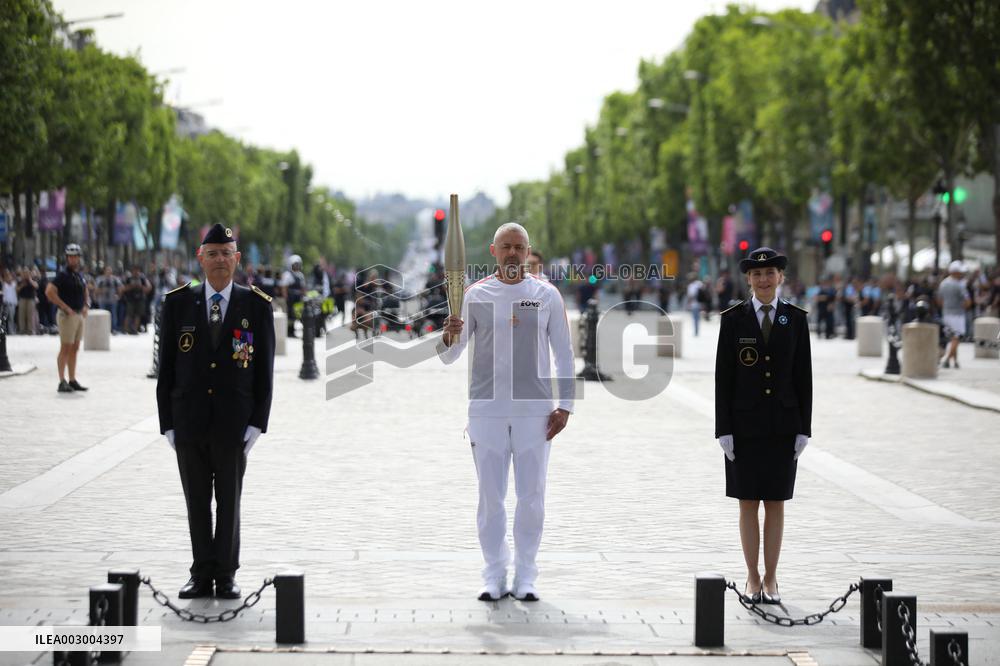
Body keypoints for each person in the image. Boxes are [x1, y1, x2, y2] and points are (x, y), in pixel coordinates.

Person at [439, 222, 574, 602]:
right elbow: (452, 354)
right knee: (491, 498)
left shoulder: (547, 295)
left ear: (529, 251)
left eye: (520, 247)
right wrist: (447, 334)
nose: (514, 253)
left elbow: (564, 353)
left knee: (532, 496)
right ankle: (494, 574)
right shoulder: (474, 295)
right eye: (506, 247)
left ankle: (526, 575)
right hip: (486, 411)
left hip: (535, 412)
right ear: (493, 251)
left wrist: (565, 406)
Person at [156, 223, 275, 600]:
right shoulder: (177, 303)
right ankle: (200, 572)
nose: (220, 260)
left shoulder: (255, 305)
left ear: (237, 259)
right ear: (200, 258)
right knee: (196, 503)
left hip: (233, 422)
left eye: (227, 253)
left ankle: (224, 574)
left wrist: (258, 423)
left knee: (228, 501)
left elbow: (263, 371)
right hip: (189, 421)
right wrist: (167, 424)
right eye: (213, 253)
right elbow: (167, 368)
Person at [715, 247, 812, 605]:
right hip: (743, 426)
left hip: (784, 425)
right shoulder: (734, 319)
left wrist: (805, 427)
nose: (764, 280)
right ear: (749, 280)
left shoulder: (795, 318)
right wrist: (722, 428)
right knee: (747, 502)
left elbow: (804, 377)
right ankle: (752, 577)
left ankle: (771, 578)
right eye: (757, 275)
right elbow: (723, 378)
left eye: (770, 273)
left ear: (780, 277)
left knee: (775, 502)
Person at [45, 244, 91, 393]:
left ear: (78, 258)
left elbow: (85, 291)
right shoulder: (62, 274)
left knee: (75, 348)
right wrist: (64, 307)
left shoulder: (78, 274)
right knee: (65, 347)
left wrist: (86, 304)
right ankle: (61, 380)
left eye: (75, 256)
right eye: (70, 256)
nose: (72, 259)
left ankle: (72, 379)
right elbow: (49, 292)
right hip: (67, 315)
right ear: (67, 258)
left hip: (78, 315)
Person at [937, 261, 970, 369]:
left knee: (952, 338)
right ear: (955, 272)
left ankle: (955, 360)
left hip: (946, 313)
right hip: (958, 314)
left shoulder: (943, 283)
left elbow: (939, 300)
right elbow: (967, 302)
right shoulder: (960, 285)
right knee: (956, 338)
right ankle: (947, 359)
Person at [16, 268, 39, 335]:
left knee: (30, 315)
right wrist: (22, 285)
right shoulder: (20, 281)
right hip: (22, 299)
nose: (25, 274)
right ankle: (22, 330)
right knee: (21, 315)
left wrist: (30, 280)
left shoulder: (33, 279)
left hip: (31, 299)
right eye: (24, 273)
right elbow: (17, 290)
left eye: (27, 273)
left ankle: (30, 330)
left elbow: (36, 286)